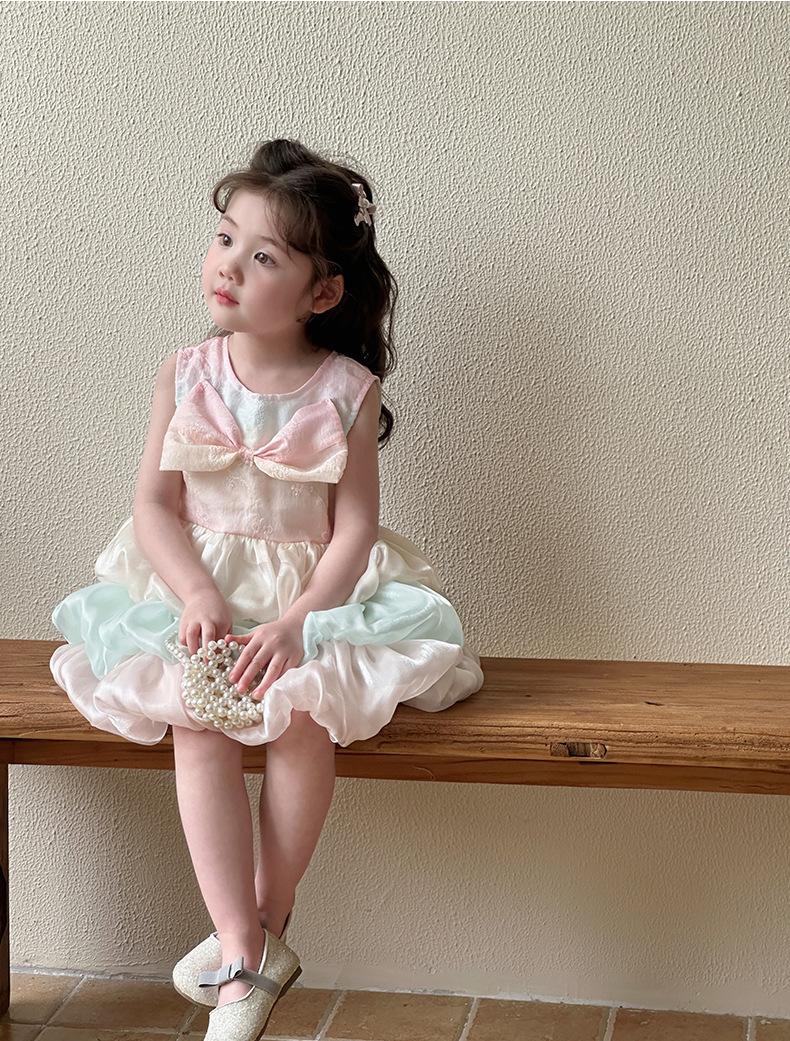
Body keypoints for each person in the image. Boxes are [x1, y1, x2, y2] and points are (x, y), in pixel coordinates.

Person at [49, 137, 485, 1040]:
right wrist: (195, 594)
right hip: (198, 592)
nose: (229, 266)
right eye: (224, 240)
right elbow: (154, 506)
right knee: (197, 721)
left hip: (307, 597)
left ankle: (262, 928)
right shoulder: (185, 371)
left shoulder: (348, 389)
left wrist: (296, 624)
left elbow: (354, 529)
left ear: (322, 292)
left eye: (263, 256)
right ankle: (242, 952)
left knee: (301, 719)